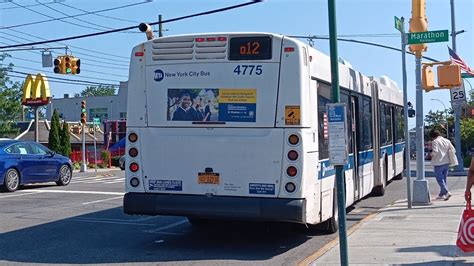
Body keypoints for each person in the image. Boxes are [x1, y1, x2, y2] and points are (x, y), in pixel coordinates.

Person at [430, 129, 454, 200]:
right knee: (444, 178)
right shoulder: (447, 140)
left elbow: (435, 151)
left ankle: (446, 192)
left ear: (433, 136)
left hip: (438, 162)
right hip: (446, 161)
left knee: (439, 179)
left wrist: (431, 155)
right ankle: (441, 194)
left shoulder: (435, 141)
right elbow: (452, 149)